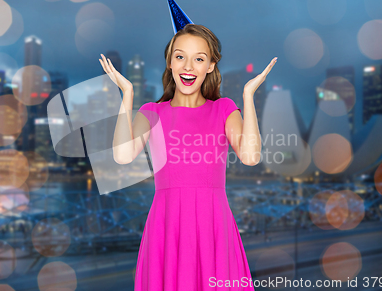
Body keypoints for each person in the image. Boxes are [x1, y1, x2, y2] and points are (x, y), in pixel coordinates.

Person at [99, 23, 276, 290]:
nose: (188, 66)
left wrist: (249, 96)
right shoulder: (152, 112)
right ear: (170, 63)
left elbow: (250, 156)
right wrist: (127, 95)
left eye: (199, 59)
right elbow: (123, 155)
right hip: (166, 224)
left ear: (211, 66)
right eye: (180, 57)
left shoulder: (224, 109)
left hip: (213, 224)